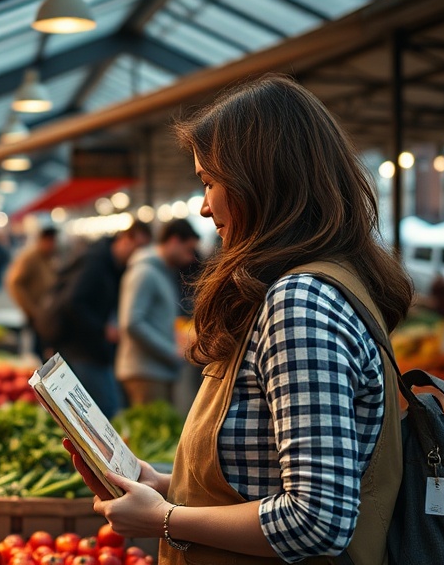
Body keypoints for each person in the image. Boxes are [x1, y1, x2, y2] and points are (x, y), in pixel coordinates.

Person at [64, 75, 413, 564]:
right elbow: (260, 478)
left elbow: (317, 519)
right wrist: (165, 486)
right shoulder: (317, 285)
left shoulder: (300, 303)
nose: (204, 207)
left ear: (261, 181)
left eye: (210, 182)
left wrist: (165, 519)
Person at [53, 221, 152, 419]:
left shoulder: (112, 265)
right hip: (83, 349)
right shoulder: (96, 263)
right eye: (138, 247)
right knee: (106, 408)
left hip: (91, 348)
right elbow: (73, 302)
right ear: (125, 239)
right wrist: (102, 329)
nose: (139, 254)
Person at [116, 219, 200, 406]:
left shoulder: (160, 271)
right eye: (189, 250)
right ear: (174, 241)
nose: (190, 258)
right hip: (145, 372)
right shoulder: (144, 272)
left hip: (155, 370)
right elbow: (132, 323)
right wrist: (171, 351)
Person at [6, 226, 60, 358]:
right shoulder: (30, 258)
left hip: (47, 315)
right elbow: (14, 283)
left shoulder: (48, 258)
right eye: (49, 241)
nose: (52, 245)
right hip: (37, 316)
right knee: (38, 351)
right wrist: (31, 309)